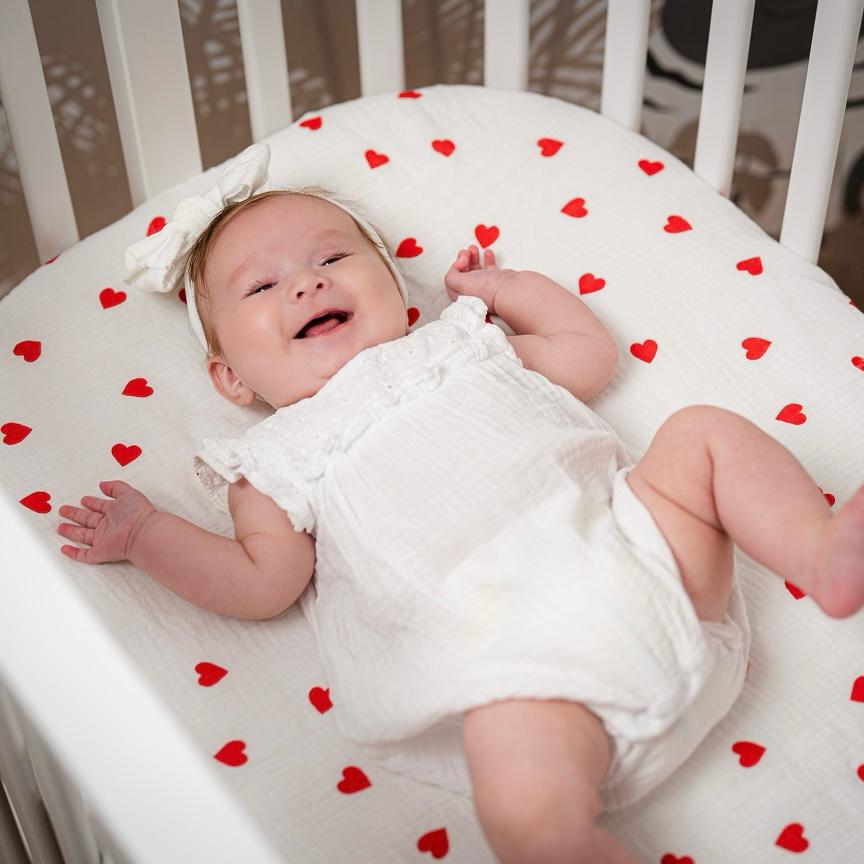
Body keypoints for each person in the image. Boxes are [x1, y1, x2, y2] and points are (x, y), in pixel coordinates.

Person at [56, 145, 864, 864]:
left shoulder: (460, 346)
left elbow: (586, 353)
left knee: (700, 436)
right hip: (510, 671)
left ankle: (818, 548)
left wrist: (502, 289)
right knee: (522, 816)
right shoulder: (272, 460)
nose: (306, 282)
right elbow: (261, 581)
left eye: (332, 257)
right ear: (231, 378)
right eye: (263, 286)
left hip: (643, 561)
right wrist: (149, 535)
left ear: (398, 292)